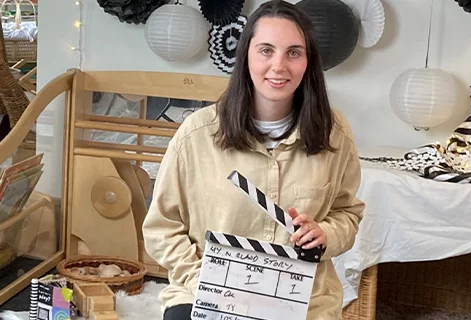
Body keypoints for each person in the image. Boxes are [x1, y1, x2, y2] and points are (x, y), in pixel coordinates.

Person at [142, 1, 365, 319]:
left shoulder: (335, 132)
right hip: (206, 293)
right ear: (245, 54)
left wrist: (326, 234)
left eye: (293, 52)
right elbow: (161, 227)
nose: (279, 66)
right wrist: (202, 280)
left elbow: (348, 214)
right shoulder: (197, 133)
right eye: (266, 50)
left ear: (308, 61)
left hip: (302, 300)